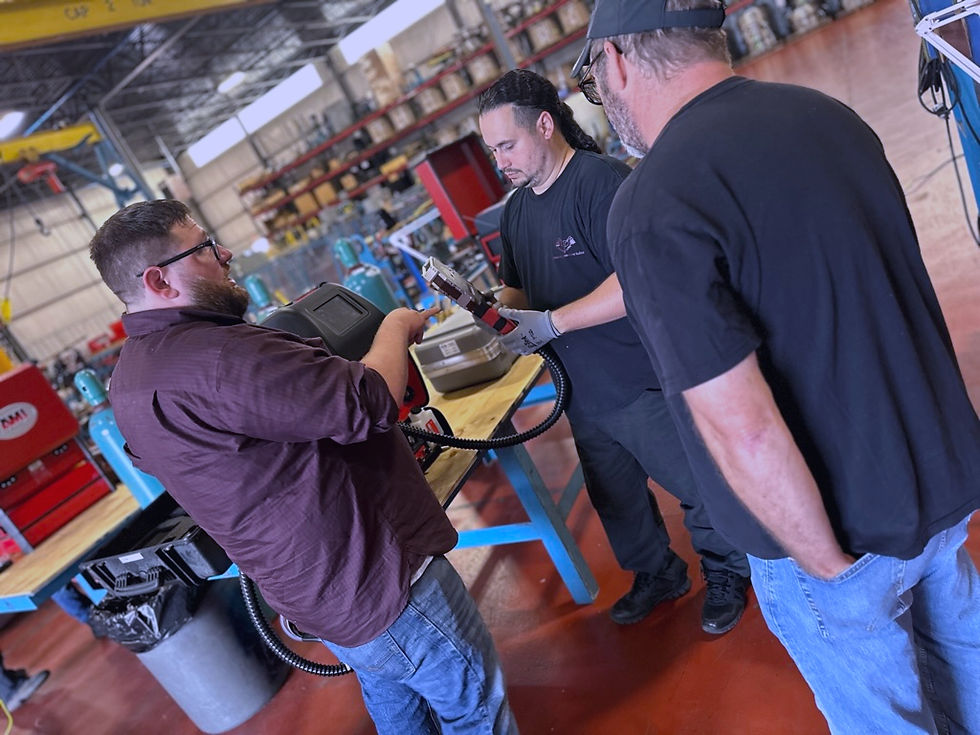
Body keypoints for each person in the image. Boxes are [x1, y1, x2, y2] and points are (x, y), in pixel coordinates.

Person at [574, 0, 980, 731]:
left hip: (839, 541)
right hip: (939, 494)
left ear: (620, 59)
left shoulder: (652, 202)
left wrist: (828, 568)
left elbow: (743, 427)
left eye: (593, 76)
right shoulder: (827, 118)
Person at [88, 200, 517, 735]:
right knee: (474, 705)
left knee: (394, 698)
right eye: (202, 248)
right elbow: (371, 399)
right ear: (159, 279)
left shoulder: (128, 382)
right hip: (378, 575)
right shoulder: (223, 354)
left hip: (312, 592)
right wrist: (394, 328)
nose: (224, 254)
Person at [478, 69, 750, 633]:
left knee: (696, 484)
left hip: (637, 374)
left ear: (545, 125)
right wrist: (489, 304)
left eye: (506, 145)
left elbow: (635, 280)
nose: (499, 160)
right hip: (582, 389)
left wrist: (551, 323)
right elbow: (519, 285)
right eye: (492, 150)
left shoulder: (601, 183)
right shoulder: (519, 209)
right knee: (617, 498)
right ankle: (657, 573)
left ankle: (730, 568)